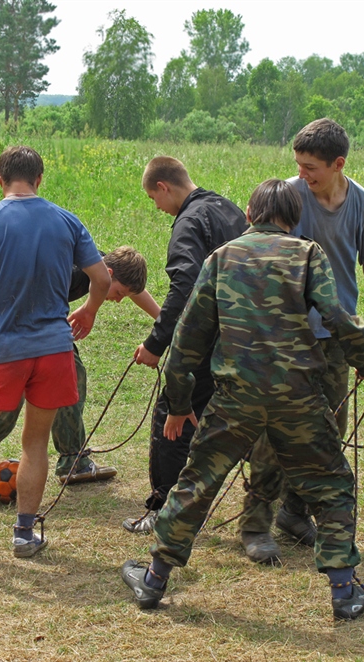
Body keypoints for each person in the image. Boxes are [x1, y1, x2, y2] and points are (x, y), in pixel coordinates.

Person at [121, 179, 364, 621]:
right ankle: (344, 592)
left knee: (197, 482)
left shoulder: (221, 259)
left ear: (249, 214)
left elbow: (188, 339)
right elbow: (337, 314)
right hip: (297, 396)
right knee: (332, 485)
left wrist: (180, 401)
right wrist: (363, 357)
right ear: (294, 219)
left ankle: (153, 580)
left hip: (235, 396)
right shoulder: (307, 253)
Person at [238, 118, 364, 565]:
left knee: (329, 431)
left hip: (335, 336)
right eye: (297, 164)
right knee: (274, 431)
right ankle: (256, 525)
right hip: (287, 336)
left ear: (339, 164)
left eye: (311, 167)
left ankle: (296, 514)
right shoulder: (289, 199)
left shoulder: (363, 206)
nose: (302, 174)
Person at [0, 145, 110, 559]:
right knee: (35, 443)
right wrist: (87, 311)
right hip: (54, 350)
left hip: (2, 349)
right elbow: (101, 277)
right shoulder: (67, 221)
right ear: (40, 179)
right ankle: (24, 533)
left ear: (0, 179)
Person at [122, 156, 248, 535]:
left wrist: (156, 342)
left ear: (164, 186)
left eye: (153, 198)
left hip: (206, 340)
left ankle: (165, 508)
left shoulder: (188, 223)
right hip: (244, 338)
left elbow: (184, 287)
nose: (157, 207)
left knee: (172, 419)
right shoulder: (228, 209)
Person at [0, 246, 160, 483]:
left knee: (71, 376)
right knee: (15, 389)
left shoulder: (98, 264)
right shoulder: (68, 271)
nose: (119, 301)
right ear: (107, 274)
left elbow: (135, 291)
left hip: (43, 320)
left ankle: (72, 461)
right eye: (119, 293)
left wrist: (167, 322)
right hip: (9, 318)